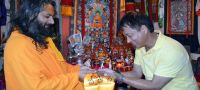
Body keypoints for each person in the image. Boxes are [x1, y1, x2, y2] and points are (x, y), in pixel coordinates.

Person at [4, 0, 94, 90]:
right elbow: (37, 87)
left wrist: (80, 70)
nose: (52, 22)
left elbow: (60, 67)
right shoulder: (19, 45)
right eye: (47, 16)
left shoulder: (41, 39)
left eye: (52, 17)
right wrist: (76, 76)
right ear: (30, 15)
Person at [99, 13, 198, 90]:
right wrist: (112, 73)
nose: (128, 41)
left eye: (130, 35)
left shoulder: (171, 50)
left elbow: (155, 85)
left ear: (143, 29)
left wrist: (121, 78)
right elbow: (137, 73)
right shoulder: (140, 47)